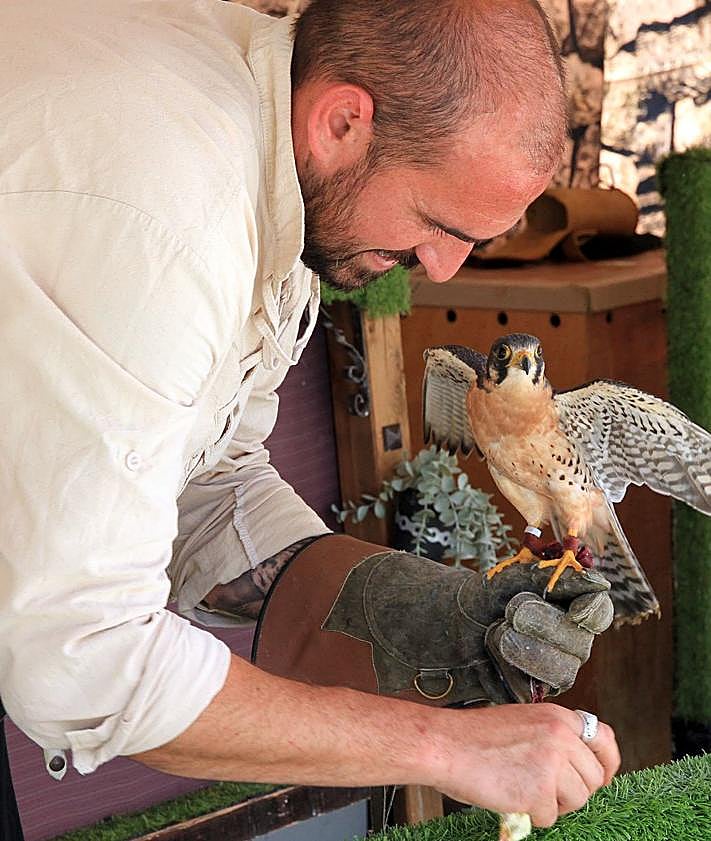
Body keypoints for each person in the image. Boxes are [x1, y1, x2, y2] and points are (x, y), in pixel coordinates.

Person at [0, 0, 620, 836]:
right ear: (342, 121)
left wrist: (410, 609)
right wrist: (449, 746)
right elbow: (84, 661)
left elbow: (205, 483)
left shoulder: (276, 152)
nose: (439, 270)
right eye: (439, 225)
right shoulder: (169, 220)